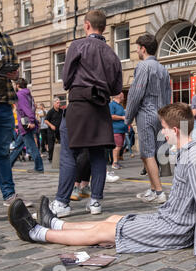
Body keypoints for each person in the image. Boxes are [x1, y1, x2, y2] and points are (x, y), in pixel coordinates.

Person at [7, 102, 196, 265]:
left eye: (163, 127)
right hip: (168, 219)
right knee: (112, 219)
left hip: (172, 228)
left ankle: (36, 233)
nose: (162, 132)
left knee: (103, 230)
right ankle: (54, 223)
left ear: (175, 130)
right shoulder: (188, 152)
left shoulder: (195, 157)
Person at [48, 10, 122, 217]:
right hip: (101, 105)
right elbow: (117, 88)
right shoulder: (113, 55)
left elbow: (66, 78)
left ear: (87, 25)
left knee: (69, 151)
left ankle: (62, 202)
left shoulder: (77, 45)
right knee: (98, 154)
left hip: (80, 103)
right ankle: (96, 202)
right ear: (104, 27)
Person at [0, 0, 32, 207]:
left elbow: (15, 65)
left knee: (2, 151)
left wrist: (14, 74)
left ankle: (9, 197)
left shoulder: (5, 38)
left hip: (3, 102)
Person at [125, 34, 171, 204]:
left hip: (146, 113)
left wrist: (128, 117)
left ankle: (158, 192)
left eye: (137, 48)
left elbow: (136, 94)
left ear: (143, 49)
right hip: (161, 114)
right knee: (152, 154)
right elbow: (168, 94)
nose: (136, 51)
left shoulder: (143, 66)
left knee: (147, 153)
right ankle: (153, 189)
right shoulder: (162, 69)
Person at [9, 78, 44, 173]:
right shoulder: (28, 93)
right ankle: (8, 166)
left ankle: (39, 167)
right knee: (17, 146)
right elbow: (32, 107)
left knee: (31, 146)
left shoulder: (20, 94)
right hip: (25, 125)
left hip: (26, 125)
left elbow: (27, 109)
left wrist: (31, 121)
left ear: (17, 85)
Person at [109, 92, 126, 170]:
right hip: (116, 129)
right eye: (123, 96)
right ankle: (114, 163)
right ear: (119, 96)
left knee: (120, 147)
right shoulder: (112, 105)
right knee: (117, 147)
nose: (124, 97)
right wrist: (122, 117)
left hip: (122, 129)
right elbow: (111, 116)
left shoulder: (120, 106)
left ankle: (117, 162)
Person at [44, 98, 63, 162]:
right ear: (54, 103)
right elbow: (46, 120)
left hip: (59, 130)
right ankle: (51, 158)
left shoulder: (61, 111)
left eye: (59, 102)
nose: (59, 104)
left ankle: (61, 157)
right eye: (57, 103)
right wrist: (51, 125)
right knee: (51, 146)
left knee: (62, 143)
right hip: (51, 131)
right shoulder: (51, 111)